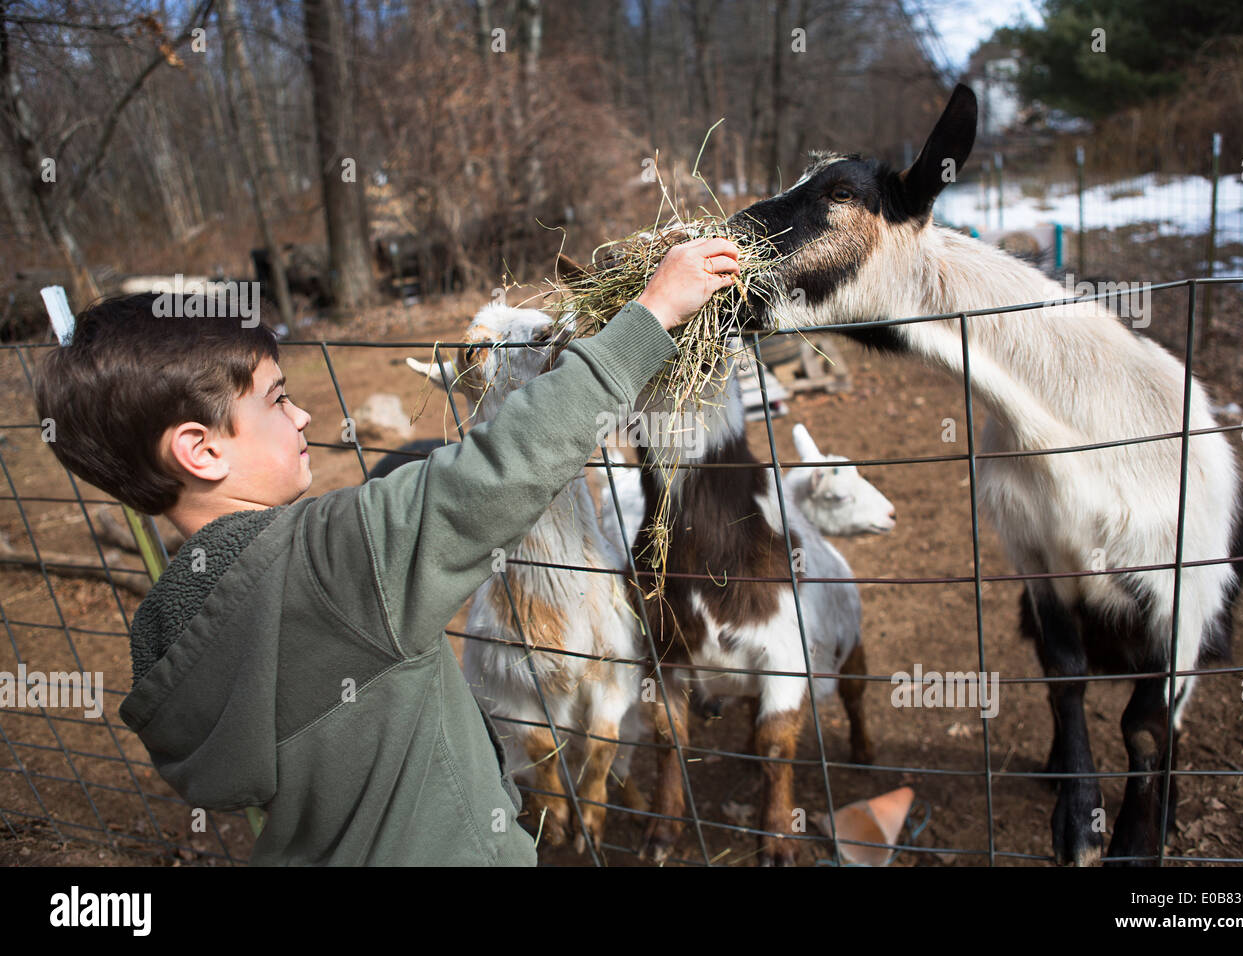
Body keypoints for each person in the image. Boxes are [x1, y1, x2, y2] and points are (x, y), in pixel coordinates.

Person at [33, 237, 740, 865]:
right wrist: (648, 317)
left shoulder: (167, 627)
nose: (304, 414)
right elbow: (505, 469)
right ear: (200, 449)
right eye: (278, 400)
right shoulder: (333, 562)